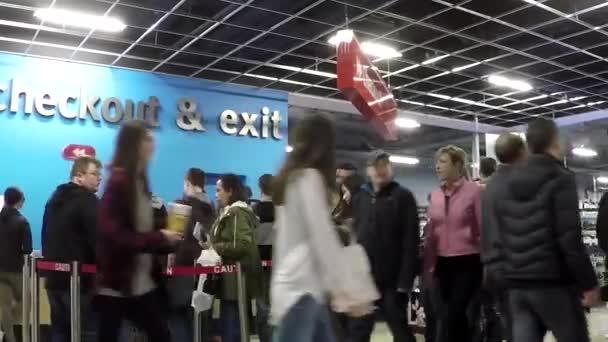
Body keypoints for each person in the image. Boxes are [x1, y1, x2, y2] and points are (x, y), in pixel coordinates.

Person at [495, 118, 598, 342]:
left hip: (517, 283)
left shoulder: (507, 181)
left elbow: (502, 231)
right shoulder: (560, 178)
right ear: (554, 141)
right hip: (553, 284)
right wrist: (588, 283)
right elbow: (569, 238)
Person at [272, 114, 371, 342]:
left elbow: (286, 241)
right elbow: (323, 238)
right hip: (303, 291)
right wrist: (350, 291)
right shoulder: (309, 179)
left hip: (293, 287)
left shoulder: (288, 180)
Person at [96, 120, 182, 342]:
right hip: (118, 282)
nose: (153, 144)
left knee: (161, 334)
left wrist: (164, 238)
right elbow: (114, 234)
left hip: (140, 282)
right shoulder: (119, 182)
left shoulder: (139, 182)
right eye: (148, 139)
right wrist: (159, 237)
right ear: (134, 143)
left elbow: (138, 230)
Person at [349, 150, 419, 342]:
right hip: (364, 279)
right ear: (368, 170)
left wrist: (405, 280)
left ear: (391, 168)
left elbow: (411, 241)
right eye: (376, 166)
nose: (381, 170)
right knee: (358, 331)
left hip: (393, 280)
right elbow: (355, 236)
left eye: (385, 165)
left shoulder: (403, 197)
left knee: (399, 329)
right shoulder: (360, 198)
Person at [423, 145, 482, 342]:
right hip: (441, 263)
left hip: (468, 261)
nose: (437, 167)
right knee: (449, 315)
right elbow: (432, 230)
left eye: (443, 162)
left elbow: (484, 227)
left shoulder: (475, 192)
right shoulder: (436, 196)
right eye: (437, 162)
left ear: (457, 165)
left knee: (455, 312)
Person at [42, 156, 102, 342]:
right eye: (94, 174)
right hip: (79, 282)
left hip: (54, 280)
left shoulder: (54, 200)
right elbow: (98, 239)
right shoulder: (88, 200)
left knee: (60, 332)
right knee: (85, 333)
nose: (99, 178)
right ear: (79, 176)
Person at [480, 134, 527, 342]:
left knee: (505, 319)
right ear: (521, 152)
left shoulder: (484, 190)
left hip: (492, 265)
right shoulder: (518, 185)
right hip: (516, 265)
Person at [210, 174, 263, 342]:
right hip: (231, 279)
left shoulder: (236, 213)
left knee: (232, 325)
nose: (216, 194)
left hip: (235, 281)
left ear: (230, 191)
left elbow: (241, 245)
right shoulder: (231, 212)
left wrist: (215, 248)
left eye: (219, 190)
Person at [167, 167, 216, 342]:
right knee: (200, 316)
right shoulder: (211, 210)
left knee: (178, 314)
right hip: (205, 270)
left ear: (187, 183)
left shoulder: (179, 206)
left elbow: (170, 241)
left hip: (182, 268)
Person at [0, 187, 32, 342]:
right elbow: (28, 249)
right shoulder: (22, 222)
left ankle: (10, 338)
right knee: (26, 300)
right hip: (15, 270)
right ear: (19, 201)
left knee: (4, 305)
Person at [251, 174, 274, 342]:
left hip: (259, 262)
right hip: (279, 262)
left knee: (262, 305)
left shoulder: (254, 211)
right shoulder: (283, 210)